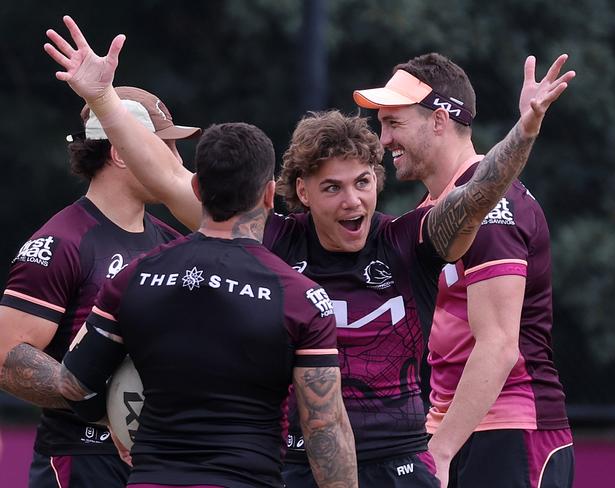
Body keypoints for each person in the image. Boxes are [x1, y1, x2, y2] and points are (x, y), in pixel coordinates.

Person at [44, 15, 573, 487]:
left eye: (364, 182)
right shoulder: (273, 236)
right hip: (300, 464)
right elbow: (169, 178)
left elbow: (479, 195)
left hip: (405, 463)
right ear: (297, 193)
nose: (352, 200)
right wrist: (103, 100)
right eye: (332, 188)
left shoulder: (408, 239)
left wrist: (523, 132)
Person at [57, 121, 357, 488]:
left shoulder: (134, 277)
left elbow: (72, 382)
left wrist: (117, 423)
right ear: (267, 194)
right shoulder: (302, 298)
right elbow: (323, 427)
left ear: (197, 188)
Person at [354, 53, 575, 487]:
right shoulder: (432, 213)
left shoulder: (491, 208)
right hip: (454, 431)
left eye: (394, 123)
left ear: (439, 120)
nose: (383, 140)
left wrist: (439, 450)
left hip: (510, 431)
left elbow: (498, 346)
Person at [0, 85, 199, 487]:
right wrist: (104, 400)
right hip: (82, 459)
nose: (178, 162)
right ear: (121, 152)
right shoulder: (61, 242)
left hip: (159, 459)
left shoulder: (173, 244)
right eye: (166, 147)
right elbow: (6, 358)